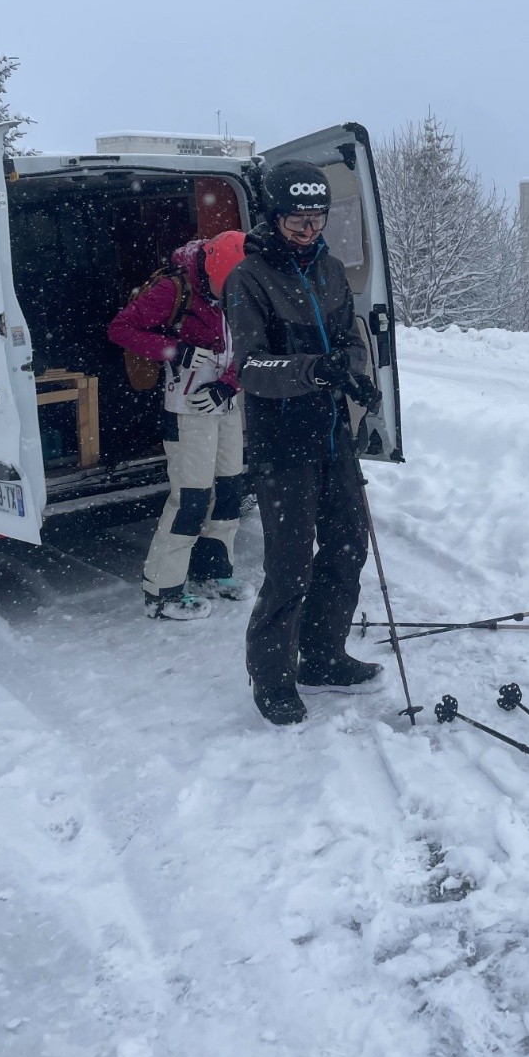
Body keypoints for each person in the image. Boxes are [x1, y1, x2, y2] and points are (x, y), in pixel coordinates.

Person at [223, 162, 384, 726]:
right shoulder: (248, 279)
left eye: (316, 220)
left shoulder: (332, 271)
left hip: (333, 434)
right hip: (282, 443)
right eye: (296, 220)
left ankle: (322, 655)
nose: (307, 230)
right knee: (290, 564)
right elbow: (252, 367)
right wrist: (313, 371)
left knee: (347, 547)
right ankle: (272, 676)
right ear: (274, 215)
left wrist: (355, 375)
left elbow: (349, 340)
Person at [108, 229, 247, 621]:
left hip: (226, 403)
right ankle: (163, 590)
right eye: (227, 287)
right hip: (186, 410)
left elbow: (253, 342)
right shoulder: (173, 290)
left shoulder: (244, 286)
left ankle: (214, 572)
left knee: (230, 490)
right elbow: (120, 329)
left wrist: (228, 384)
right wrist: (176, 350)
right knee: (192, 498)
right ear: (215, 272)